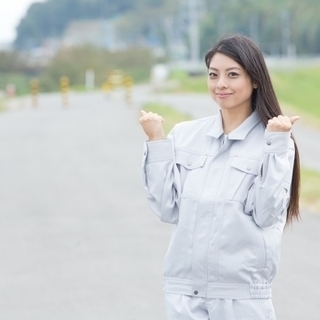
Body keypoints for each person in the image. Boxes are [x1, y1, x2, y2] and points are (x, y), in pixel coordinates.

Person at [139, 34, 300, 320]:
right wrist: (156, 142)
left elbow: (266, 214)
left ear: (255, 80)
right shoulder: (185, 135)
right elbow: (166, 208)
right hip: (184, 293)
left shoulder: (273, 141)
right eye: (214, 75)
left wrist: (276, 145)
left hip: (241, 297)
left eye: (232, 74)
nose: (220, 84)